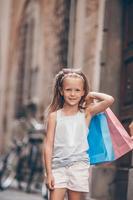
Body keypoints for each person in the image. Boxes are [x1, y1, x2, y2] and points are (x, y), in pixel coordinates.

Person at [43, 68, 114, 200]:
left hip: (79, 167)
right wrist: (49, 173)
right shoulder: (54, 116)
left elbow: (109, 100)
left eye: (77, 90)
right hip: (58, 166)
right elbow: (48, 146)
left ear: (82, 92)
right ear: (61, 91)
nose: (72, 94)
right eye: (68, 89)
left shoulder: (87, 113)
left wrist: (91, 94)